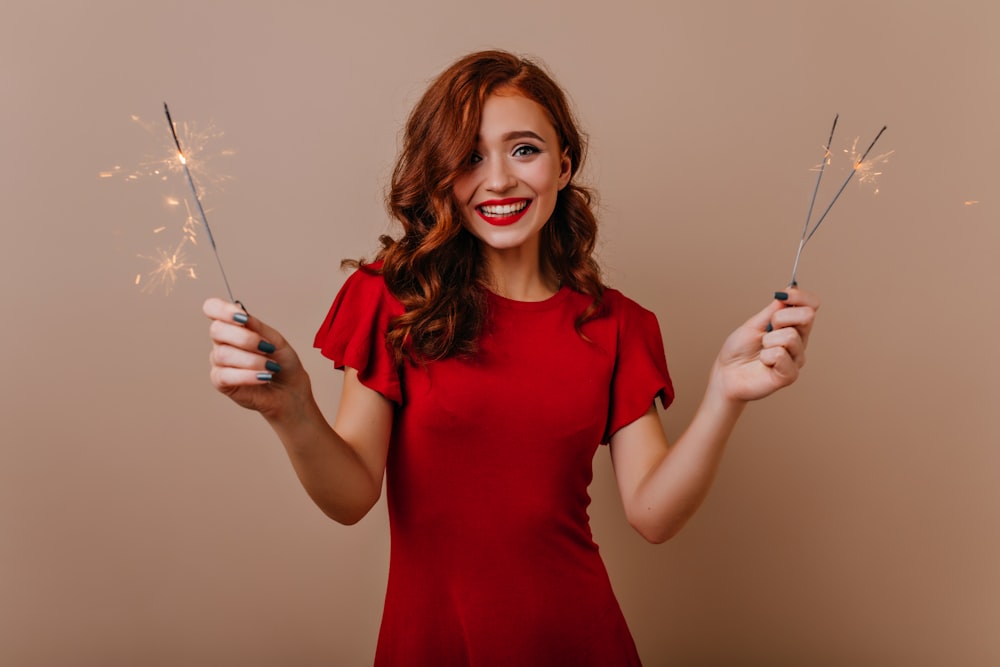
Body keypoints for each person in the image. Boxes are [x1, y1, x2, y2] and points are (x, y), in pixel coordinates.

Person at [203, 50, 818, 666]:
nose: (497, 179)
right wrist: (292, 410)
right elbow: (351, 495)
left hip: (581, 642)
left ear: (564, 165)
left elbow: (653, 515)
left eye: (524, 149)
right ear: (440, 172)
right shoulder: (391, 299)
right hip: (435, 646)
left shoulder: (619, 326)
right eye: (469, 156)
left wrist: (724, 397)